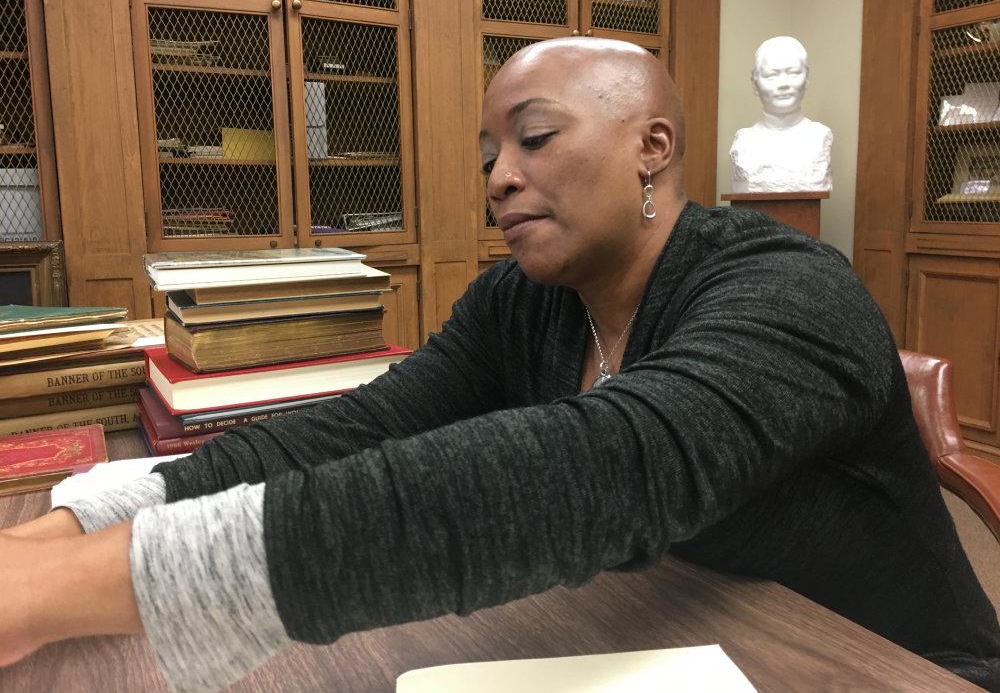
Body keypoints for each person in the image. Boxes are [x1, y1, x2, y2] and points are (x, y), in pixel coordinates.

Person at [3, 37, 1000, 692]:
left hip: (884, 667)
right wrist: (76, 521)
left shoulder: (793, 295)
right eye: (488, 153)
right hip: (679, 633)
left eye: (532, 139)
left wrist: (69, 592)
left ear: (651, 147)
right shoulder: (520, 304)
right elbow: (361, 429)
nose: (499, 177)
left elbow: (599, 471)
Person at [729, 35, 833, 193]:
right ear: (754, 84)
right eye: (771, 75)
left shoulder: (819, 136)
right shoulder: (744, 142)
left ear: (807, 78)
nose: (783, 84)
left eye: (793, 73)